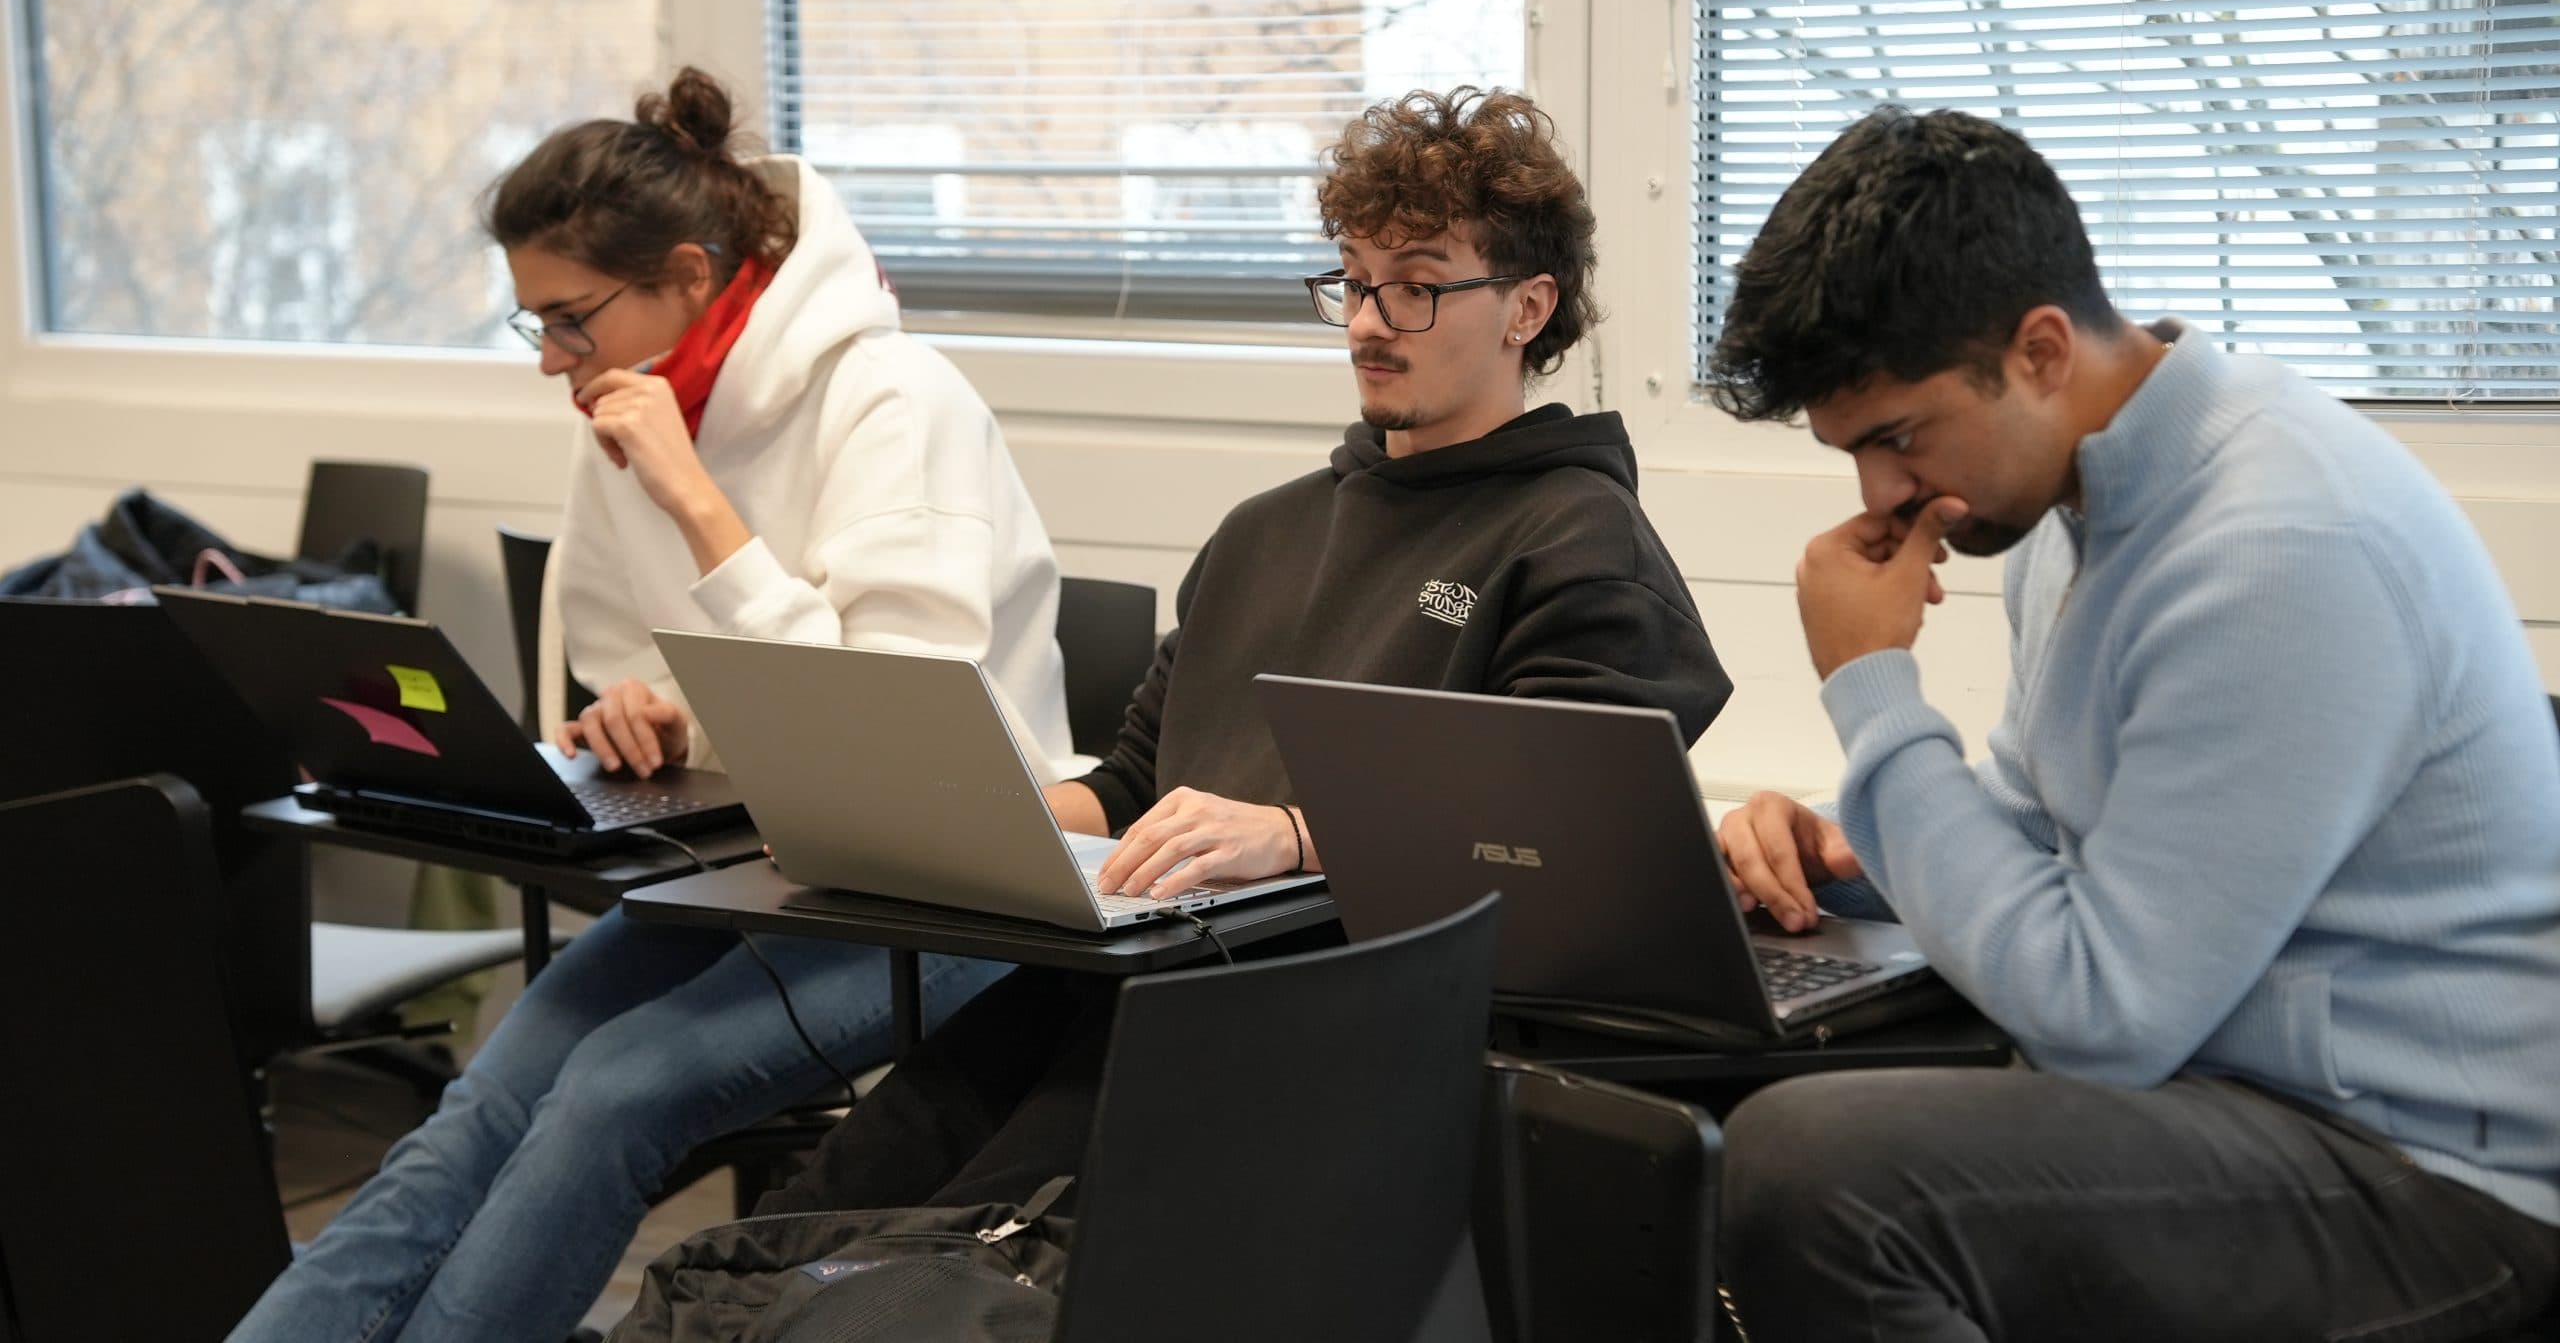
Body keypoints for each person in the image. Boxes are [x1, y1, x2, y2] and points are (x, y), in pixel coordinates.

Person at [749, 85, 1735, 1219]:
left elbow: (1553, 848)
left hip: (1321, 1028)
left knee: (960, 1255)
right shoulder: (1266, 531)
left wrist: (1294, 836)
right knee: (807, 1218)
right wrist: (909, 820)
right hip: (1134, 985)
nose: (1368, 320)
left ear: (1527, 308)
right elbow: (1128, 791)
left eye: (1416, 284)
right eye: (1355, 280)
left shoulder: (1575, 538)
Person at [232, 68, 1070, 1343]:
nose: (557, 364)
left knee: (609, 1095)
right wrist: (655, 709)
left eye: (574, 320)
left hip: (958, 879)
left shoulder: (896, 401)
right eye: (536, 329)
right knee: (494, 1086)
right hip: (761, 854)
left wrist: (697, 500)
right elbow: (638, 655)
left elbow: (894, 728)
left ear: (687, 270)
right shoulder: (626, 412)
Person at [1703, 105, 2560, 1342]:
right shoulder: (2080, 506)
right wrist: (1845, 850)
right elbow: (2052, 830)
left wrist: (1873, 696)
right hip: (2228, 1093)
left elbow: (2104, 1014)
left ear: (2041, 350)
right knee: (1726, 1078)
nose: (1882, 494)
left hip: (2426, 1178)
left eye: (1896, 438)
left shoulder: (2278, 547)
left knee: (1814, 1171)